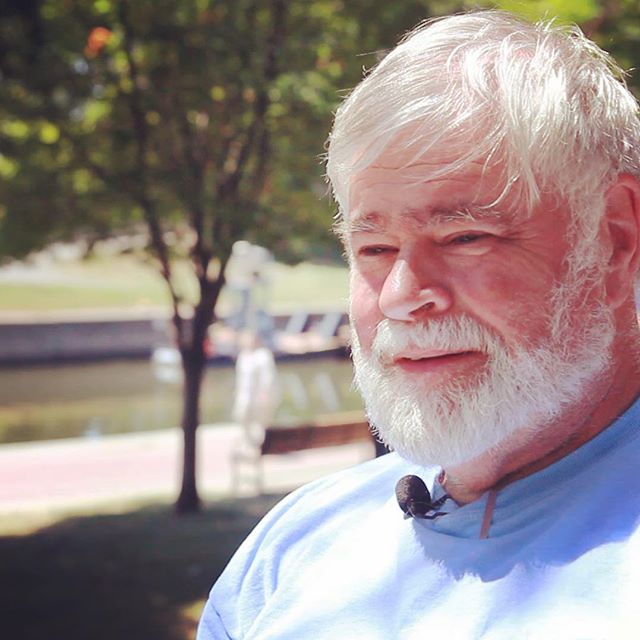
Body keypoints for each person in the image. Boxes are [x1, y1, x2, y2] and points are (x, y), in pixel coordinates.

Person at [197, 11, 640, 638]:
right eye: (373, 248)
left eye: (464, 236)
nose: (404, 296)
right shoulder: (291, 548)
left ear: (615, 237)